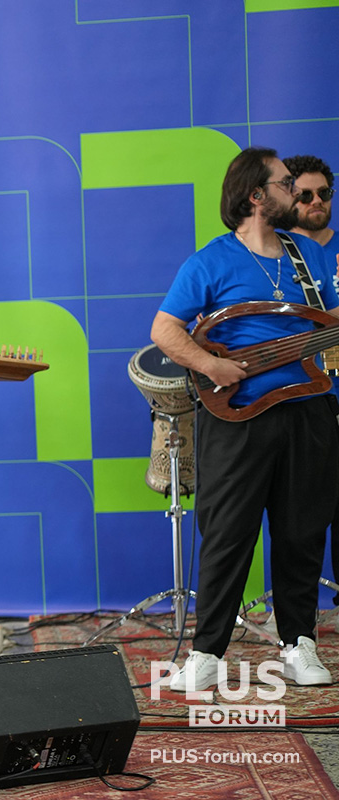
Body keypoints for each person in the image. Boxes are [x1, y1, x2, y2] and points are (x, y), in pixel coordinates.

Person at [151, 147, 339, 692]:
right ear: (257, 196)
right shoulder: (209, 261)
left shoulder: (309, 254)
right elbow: (165, 329)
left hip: (308, 410)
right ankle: (207, 652)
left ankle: (298, 643)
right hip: (237, 415)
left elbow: (328, 319)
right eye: (286, 185)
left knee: (303, 531)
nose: (297, 193)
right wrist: (211, 365)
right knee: (228, 533)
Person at [285, 154, 339, 608]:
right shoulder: (271, 257)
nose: (316, 201)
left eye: (324, 193)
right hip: (298, 397)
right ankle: (295, 620)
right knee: (300, 513)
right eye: (305, 194)